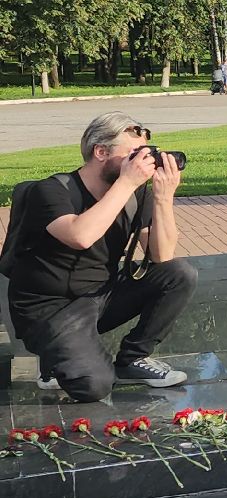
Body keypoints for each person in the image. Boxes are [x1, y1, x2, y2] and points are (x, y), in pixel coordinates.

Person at [3, 114, 192, 401]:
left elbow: (162, 255)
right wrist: (127, 183)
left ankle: (132, 359)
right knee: (95, 386)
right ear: (100, 152)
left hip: (100, 295)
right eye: (133, 154)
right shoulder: (52, 191)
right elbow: (80, 236)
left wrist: (163, 198)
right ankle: (53, 359)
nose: (141, 163)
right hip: (51, 309)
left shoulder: (134, 194)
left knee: (179, 274)